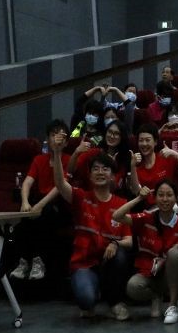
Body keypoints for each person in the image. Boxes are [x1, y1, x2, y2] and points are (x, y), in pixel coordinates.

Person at [49, 132, 132, 320]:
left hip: (108, 263)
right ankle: (92, 293)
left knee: (120, 255)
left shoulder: (121, 204)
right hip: (84, 263)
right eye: (96, 169)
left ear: (112, 176)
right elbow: (60, 184)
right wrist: (57, 152)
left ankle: (115, 302)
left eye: (105, 169)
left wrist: (116, 243)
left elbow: (129, 240)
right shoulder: (81, 197)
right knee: (86, 301)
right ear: (90, 174)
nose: (100, 172)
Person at [113, 181, 178, 324]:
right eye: (160, 195)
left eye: (169, 195)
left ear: (176, 198)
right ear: (154, 198)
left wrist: (171, 260)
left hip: (170, 277)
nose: (165, 199)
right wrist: (139, 198)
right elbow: (117, 216)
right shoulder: (146, 218)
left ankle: (172, 306)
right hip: (148, 273)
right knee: (132, 287)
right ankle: (156, 297)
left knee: (174, 253)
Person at [11, 120, 70, 283]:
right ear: (48, 139)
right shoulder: (39, 159)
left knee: (46, 214)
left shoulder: (69, 160)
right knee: (24, 220)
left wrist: (39, 206)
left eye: (60, 135)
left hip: (59, 203)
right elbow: (27, 183)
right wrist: (25, 202)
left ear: (66, 142)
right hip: (39, 202)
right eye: (53, 135)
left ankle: (39, 260)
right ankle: (23, 261)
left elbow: (60, 187)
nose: (56, 138)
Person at [130, 124, 178, 205]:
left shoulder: (166, 157)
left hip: (170, 205)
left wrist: (173, 153)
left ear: (155, 142)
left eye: (147, 140)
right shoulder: (138, 166)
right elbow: (136, 191)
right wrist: (132, 166)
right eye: (141, 140)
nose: (144, 144)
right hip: (150, 208)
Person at [68, 119, 131, 194]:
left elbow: (112, 189)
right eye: (109, 132)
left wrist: (112, 167)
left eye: (116, 134)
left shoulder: (123, 159)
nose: (111, 136)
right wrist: (76, 152)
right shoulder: (93, 152)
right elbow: (70, 170)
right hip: (89, 196)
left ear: (122, 137)